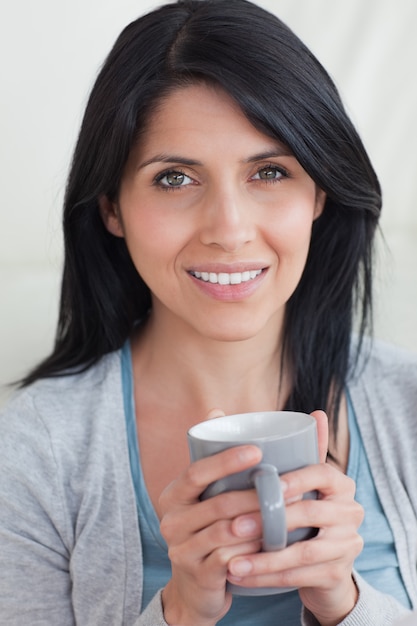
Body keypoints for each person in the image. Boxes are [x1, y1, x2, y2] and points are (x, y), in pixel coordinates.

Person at [0, 0, 416, 624]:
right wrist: (182, 612)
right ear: (111, 206)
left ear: (320, 193)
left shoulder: (407, 408)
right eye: (175, 178)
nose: (229, 229)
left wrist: (347, 604)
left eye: (270, 171)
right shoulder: (35, 451)